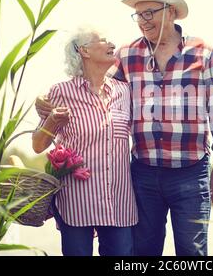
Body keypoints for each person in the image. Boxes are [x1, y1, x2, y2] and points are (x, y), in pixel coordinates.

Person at [36, 0, 213, 256]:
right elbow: (93, 83)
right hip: (143, 175)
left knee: (193, 251)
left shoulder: (203, 52)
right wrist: (42, 98)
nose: (143, 21)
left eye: (149, 13)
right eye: (138, 16)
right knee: (143, 251)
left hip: (191, 173)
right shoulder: (127, 55)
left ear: (173, 12)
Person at [32, 29, 138, 256]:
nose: (111, 42)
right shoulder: (61, 91)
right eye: (103, 39)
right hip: (77, 202)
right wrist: (51, 121)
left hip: (118, 203)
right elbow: (38, 145)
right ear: (84, 51)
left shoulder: (124, 91)